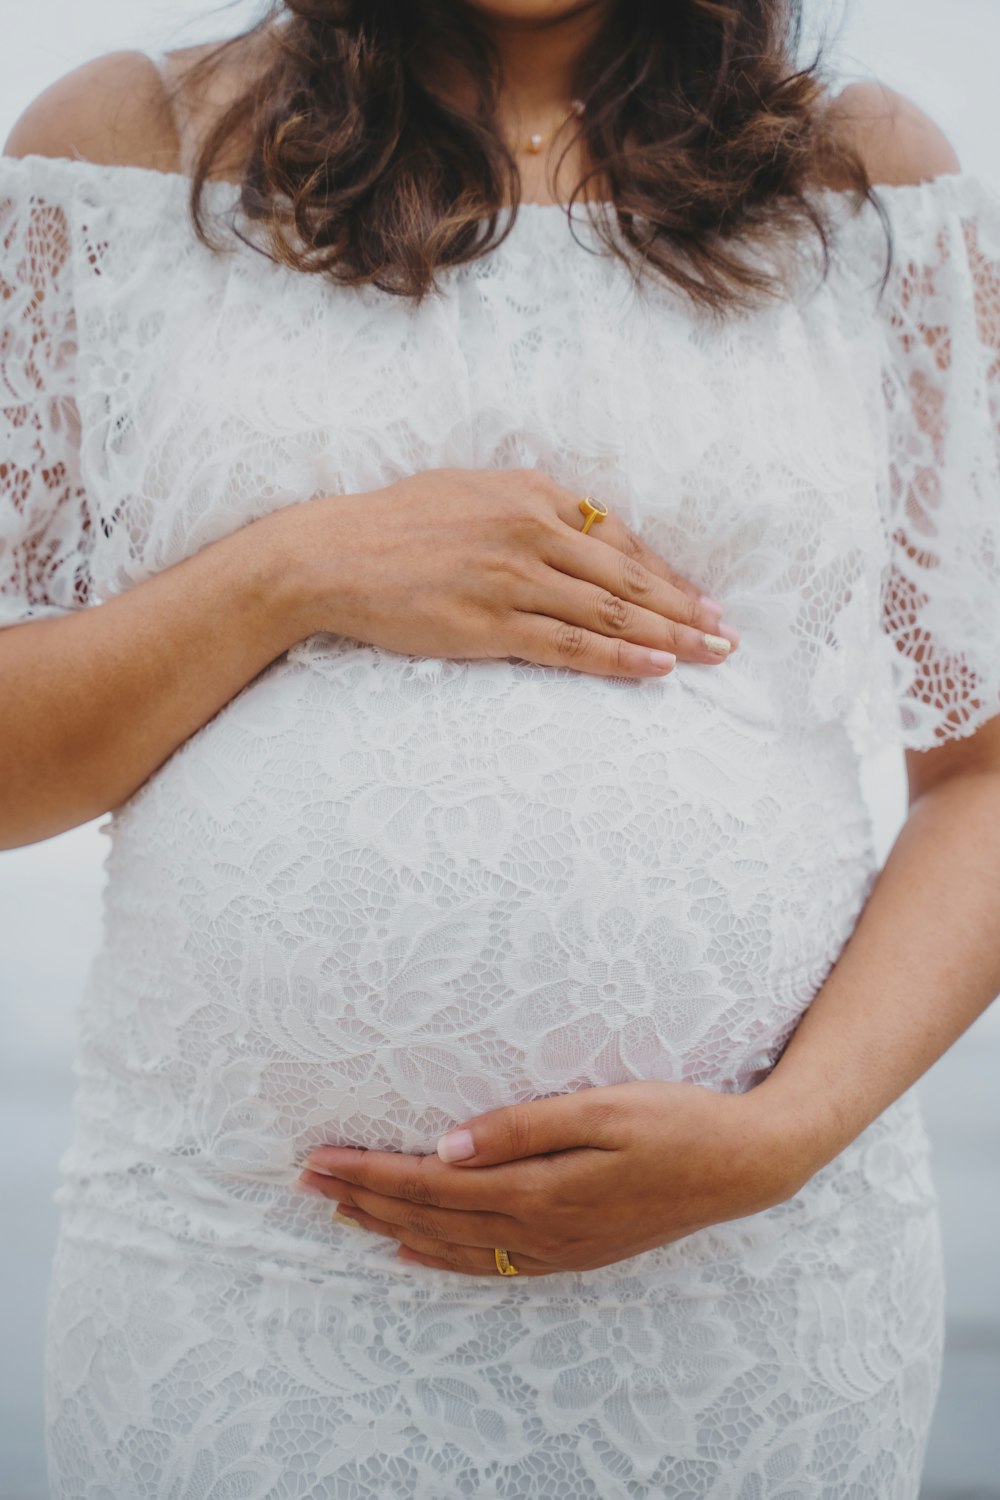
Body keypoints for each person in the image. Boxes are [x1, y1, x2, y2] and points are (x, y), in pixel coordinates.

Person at [2, 1, 999, 1495]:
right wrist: (296, 571)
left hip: (749, 1290)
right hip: (245, 1279)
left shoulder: (867, 181)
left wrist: (785, 1137)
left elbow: (984, 769)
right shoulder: (128, 155)